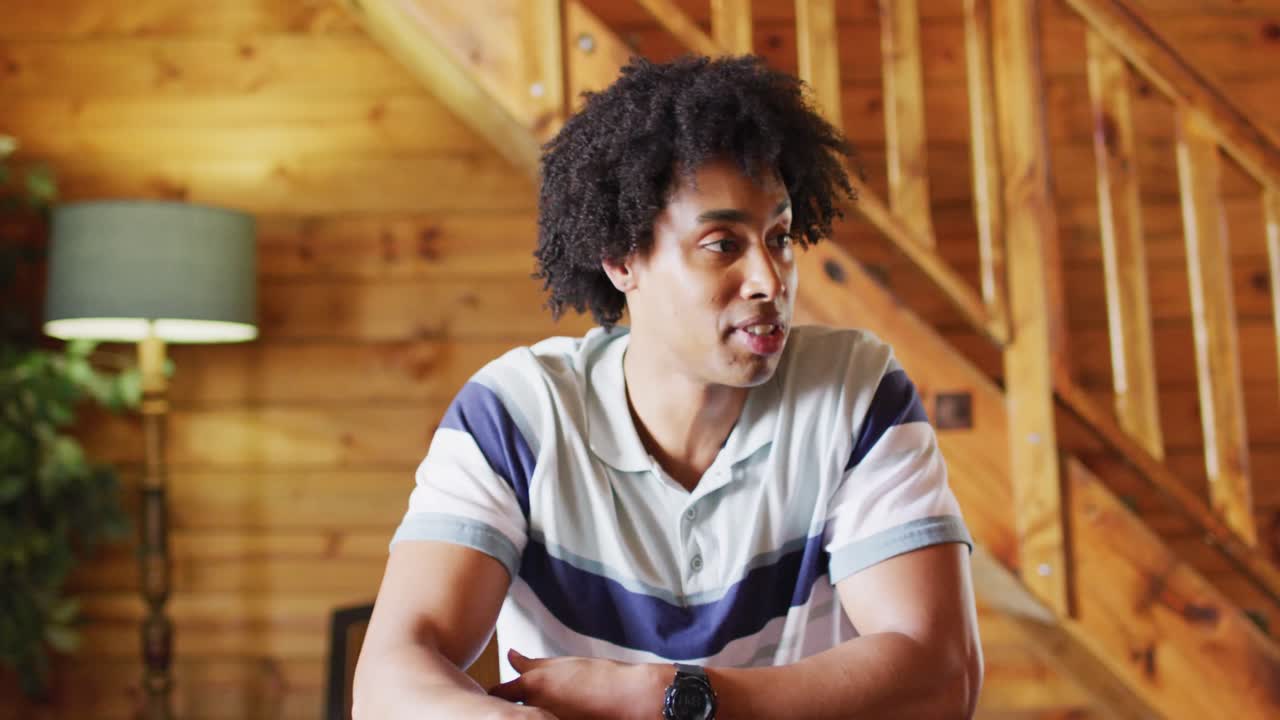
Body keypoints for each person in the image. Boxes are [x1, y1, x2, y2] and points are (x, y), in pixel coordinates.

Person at [353, 55, 982, 720]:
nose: (770, 279)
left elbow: (941, 677)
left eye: (778, 237)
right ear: (623, 259)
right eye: (723, 243)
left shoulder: (855, 393)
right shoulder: (516, 414)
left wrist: (664, 697)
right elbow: (390, 680)